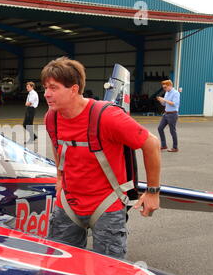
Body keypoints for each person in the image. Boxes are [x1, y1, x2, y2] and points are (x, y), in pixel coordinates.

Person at [42, 56, 161, 259]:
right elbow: (59, 148)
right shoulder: (52, 117)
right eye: (45, 88)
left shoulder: (107, 117)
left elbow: (151, 143)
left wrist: (152, 192)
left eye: (53, 88)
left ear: (73, 89)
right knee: (57, 267)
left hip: (107, 206)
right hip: (69, 204)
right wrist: (60, 177)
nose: (46, 94)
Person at [157, 80, 180, 152]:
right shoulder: (167, 92)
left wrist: (164, 100)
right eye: (163, 87)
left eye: (165, 87)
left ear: (170, 86)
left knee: (172, 131)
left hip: (173, 114)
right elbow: (164, 104)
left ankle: (175, 147)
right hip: (166, 113)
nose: (164, 89)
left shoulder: (176, 93)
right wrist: (161, 101)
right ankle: (164, 145)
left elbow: (174, 103)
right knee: (160, 128)